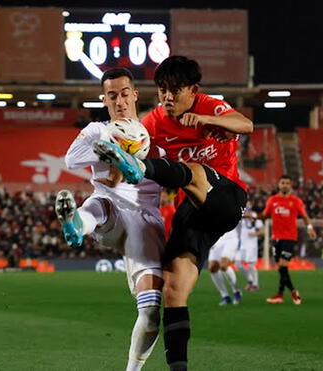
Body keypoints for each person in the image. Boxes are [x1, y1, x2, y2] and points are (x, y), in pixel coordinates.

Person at [93, 55, 253, 371]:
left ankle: (142, 168)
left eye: (175, 91)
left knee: (193, 170)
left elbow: (245, 125)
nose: (167, 98)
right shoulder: (154, 121)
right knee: (172, 289)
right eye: (162, 90)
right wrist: (112, 175)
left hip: (227, 197)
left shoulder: (209, 105)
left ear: (193, 90)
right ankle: (178, 368)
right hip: (193, 210)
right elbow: (133, 139)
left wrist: (213, 122)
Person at [55, 68, 166, 371]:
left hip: (146, 222)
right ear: (104, 99)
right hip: (109, 211)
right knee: (99, 203)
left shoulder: (156, 130)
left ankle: (132, 370)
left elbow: (173, 171)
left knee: (152, 309)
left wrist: (136, 151)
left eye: (124, 93)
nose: (119, 100)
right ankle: (75, 225)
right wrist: (111, 143)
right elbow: (71, 159)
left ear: (135, 94)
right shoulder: (96, 129)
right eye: (112, 95)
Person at [262, 175, 317, 305]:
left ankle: (292, 291)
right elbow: (265, 215)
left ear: (290, 186)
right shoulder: (272, 200)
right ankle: (280, 295)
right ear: (279, 184)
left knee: (283, 264)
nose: (284, 185)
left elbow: (304, 216)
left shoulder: (296, 201)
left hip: (290, 237)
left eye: (287, 183)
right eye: (282, 183)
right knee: (281, 268)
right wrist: (253, 217)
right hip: (276, 238)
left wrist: (309, 228)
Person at [208, 226, 242, 305]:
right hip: (216, 238)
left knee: (223, 265)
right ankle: (225, 296)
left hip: (230, 238)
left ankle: (236, 291)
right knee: (212, 268)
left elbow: (241, 214)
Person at [235, 208, 264, 291]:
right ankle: (250, 280)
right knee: (237, 263)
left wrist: (255, 233)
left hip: (252, 246)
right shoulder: (242, 218)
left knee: (251, 265)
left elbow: (262, 231)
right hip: (242, 246)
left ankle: (255, 284)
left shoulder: (255, 218)